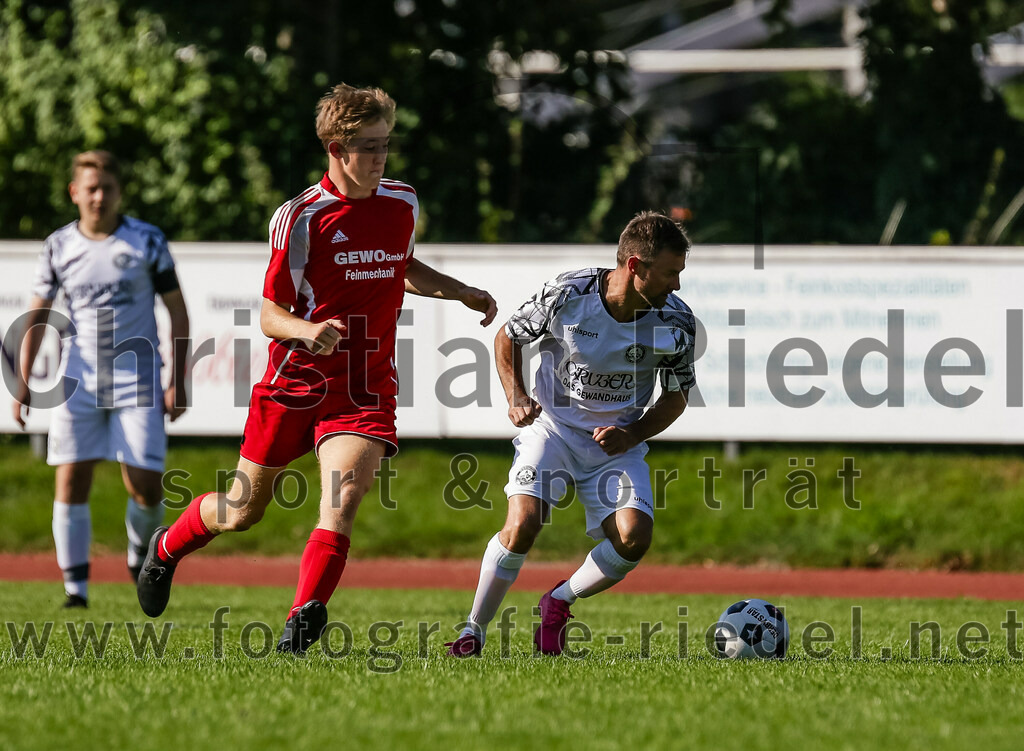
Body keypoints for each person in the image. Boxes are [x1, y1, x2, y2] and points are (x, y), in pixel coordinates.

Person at [135, 82, 498, 654]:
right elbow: (270, 314)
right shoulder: (301, 218)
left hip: (364, 386)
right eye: (371, 147)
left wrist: (460, 291)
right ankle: (164, 550)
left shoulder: (402, 202)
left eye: (386, 145)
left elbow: (401, 265)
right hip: (295, 384)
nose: (382, 158)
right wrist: (308, 331)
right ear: (336, 147)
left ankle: (301, 621)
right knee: (240, 510)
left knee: (344, 496)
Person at [446, 211, 696, 657]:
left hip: (617, 445)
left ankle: (558, 602)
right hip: (554, 431)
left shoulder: (676, 323)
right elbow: (508, 337)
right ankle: (472, 630)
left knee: (635, 538)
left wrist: (632, 433)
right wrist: (516, 396)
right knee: (523, 524)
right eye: (670, 273)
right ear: (635, 265)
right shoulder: (570, 293)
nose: (676, 286)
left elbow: (676, 398)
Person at [12, 150, 190, 608]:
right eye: (89, 188)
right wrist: (23, 379)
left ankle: (138, 556)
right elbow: (38, 315)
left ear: (118, 193)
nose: (98, 197)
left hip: (139, 379)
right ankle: (76, 589)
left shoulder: (146, 241)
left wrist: (180, 378)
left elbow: (176, 310)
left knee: (147, 486)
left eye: (106, 188)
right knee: (71, 480)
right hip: (78, 382)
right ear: (75, 192)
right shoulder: (58, 246)